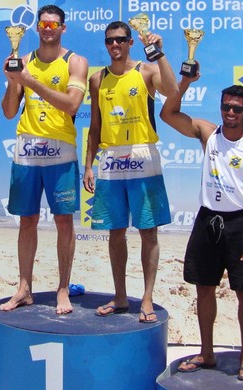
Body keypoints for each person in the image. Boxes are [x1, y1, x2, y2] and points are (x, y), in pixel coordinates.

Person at [160, 76, 243, 379]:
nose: (230, 113)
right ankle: (207, 352)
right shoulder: (208, 133)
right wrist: (184, 83)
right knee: (204, 289)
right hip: (208, 219)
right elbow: (167, 114)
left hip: (240, 224)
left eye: (237, 109)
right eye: (226, 107)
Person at [83, 21, 178, 323]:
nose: (115, 45)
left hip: (141, 154)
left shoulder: (146, 71)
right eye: (110, 40)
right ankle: (121, 295)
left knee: (148, 231)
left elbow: (173, 90)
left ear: (130, 43)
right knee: (115, 232)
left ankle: (147, 298)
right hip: (110, 159)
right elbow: (95, 126)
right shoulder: (97, 79)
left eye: (121, 40)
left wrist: (159, 53)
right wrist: (88, 165)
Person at [0, 5, 88, 315]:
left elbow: (72, 104)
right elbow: (10, 112)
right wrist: (14, 82)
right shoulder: (23, 62)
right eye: (43, 23)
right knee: (27, 220)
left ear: (63, 28)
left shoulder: (75, 62)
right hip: (26, 149)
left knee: (64, 220)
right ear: (37, 28)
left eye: (54, 23)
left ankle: (62, 288)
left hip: (60, 149)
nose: (48, 28)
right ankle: (24, 288)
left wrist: (31, 81)